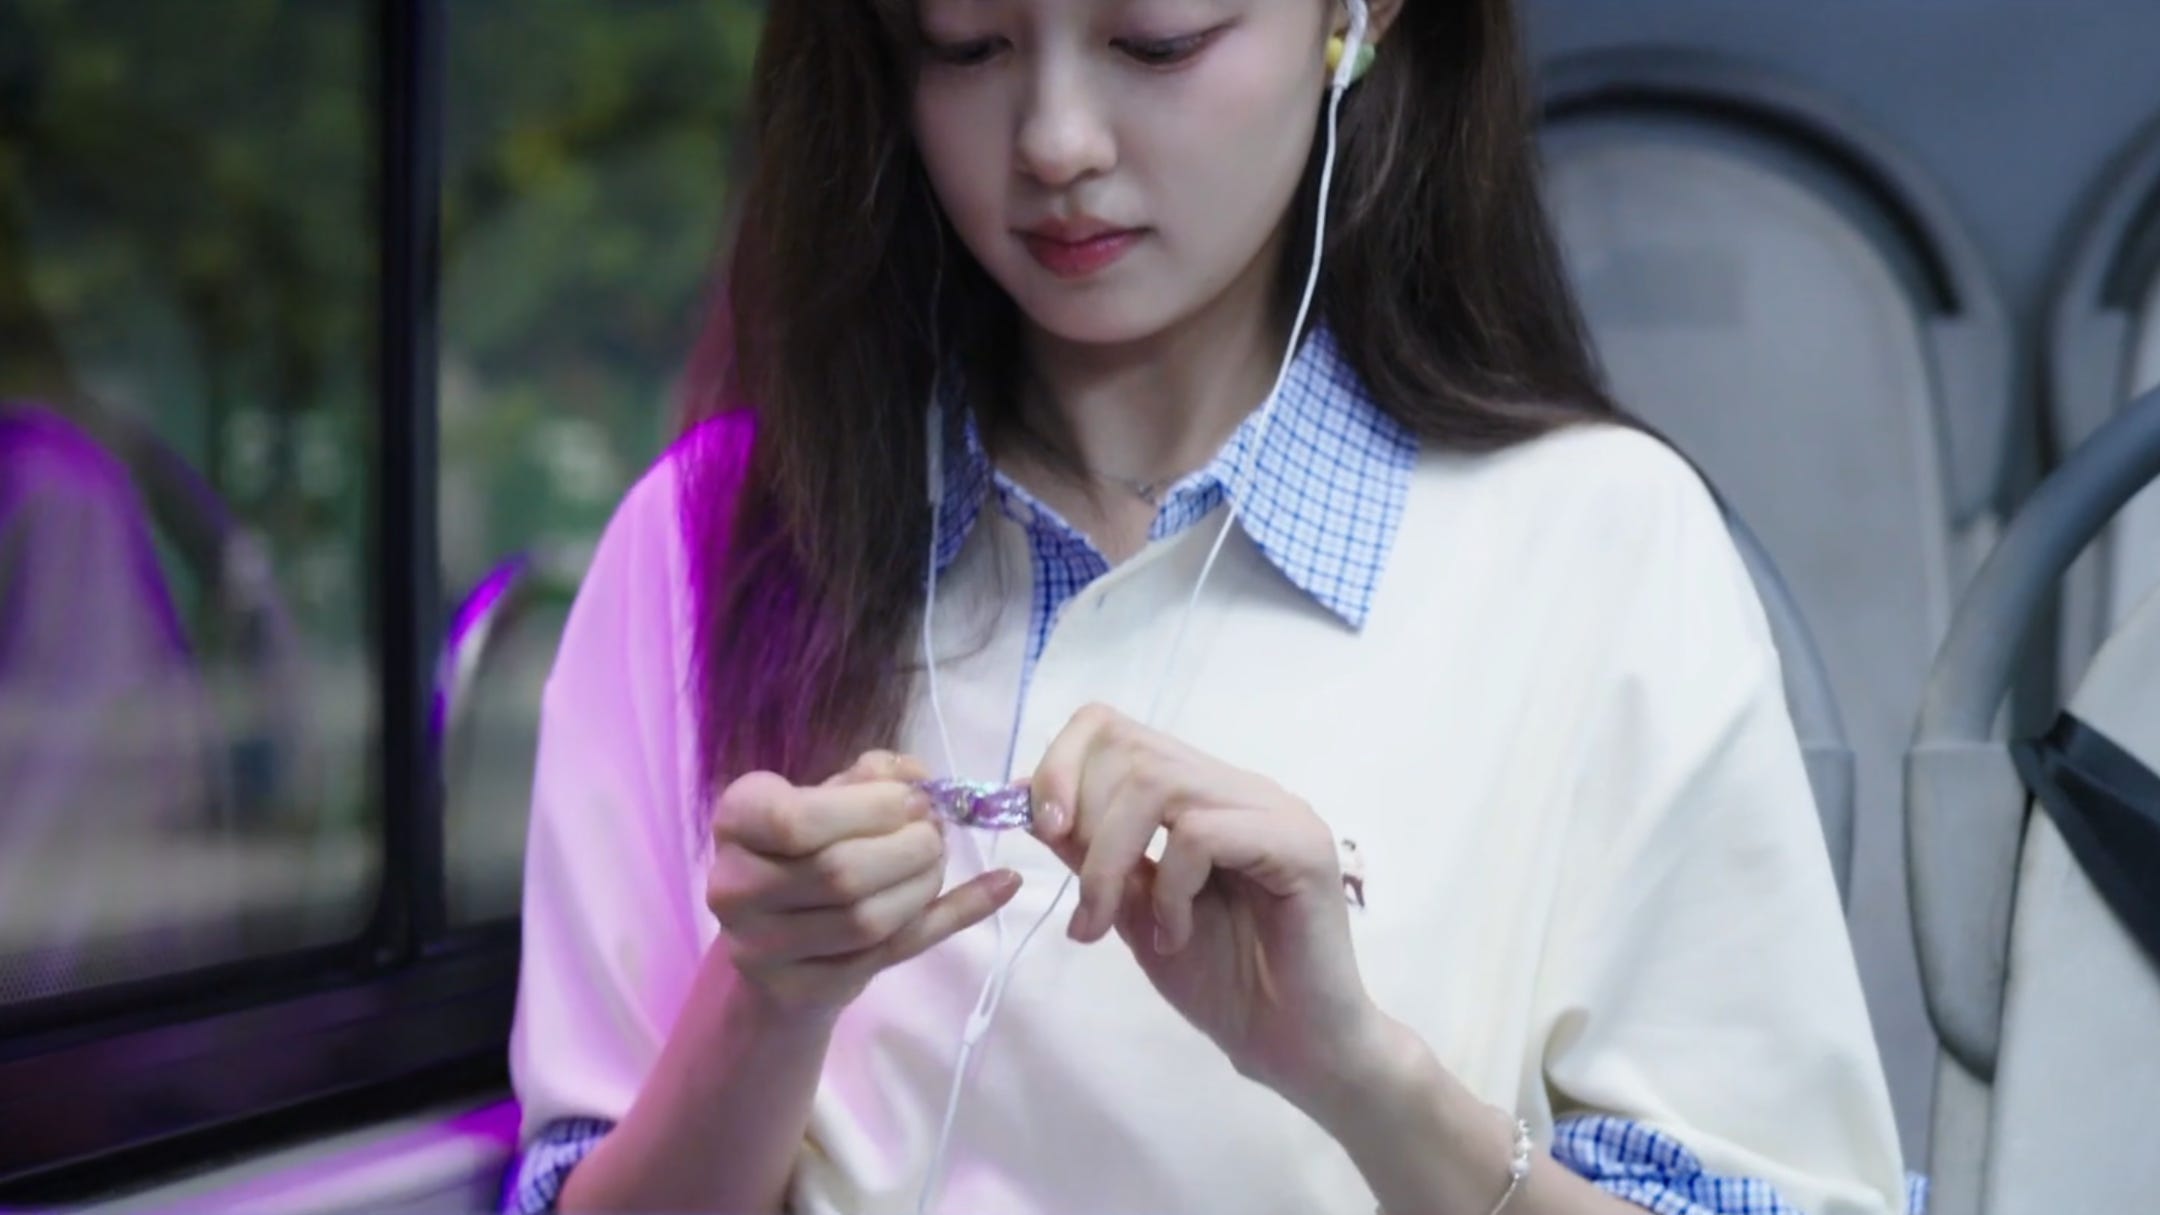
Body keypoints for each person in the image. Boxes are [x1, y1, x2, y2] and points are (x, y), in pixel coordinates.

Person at [505, 1, 1914, 1213]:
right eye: (970, 45)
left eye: (1157, 43)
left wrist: (1360, 1074)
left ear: (1357, 15)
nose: (1056, 141)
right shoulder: (706, 543)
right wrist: (766, 1000)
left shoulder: (1603, 541)